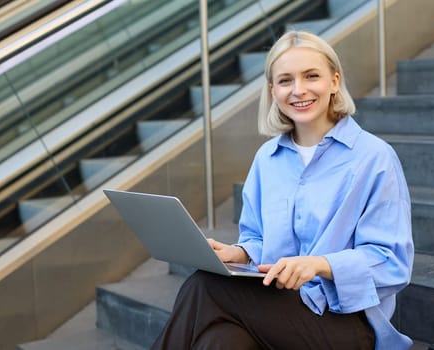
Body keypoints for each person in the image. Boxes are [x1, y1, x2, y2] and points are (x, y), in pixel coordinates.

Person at [151, 30, 414, 350]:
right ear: (273, 91)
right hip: (275, 305)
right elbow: (259, 239)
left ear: (334, 81)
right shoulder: (267, 159)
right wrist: (239, 253)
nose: (299, 90)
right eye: (286, 80)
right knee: (219, 341)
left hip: (344, 320)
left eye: (311, 76)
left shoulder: (374, 157)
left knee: (205, 286)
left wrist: (319, 264)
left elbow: (391, 263)